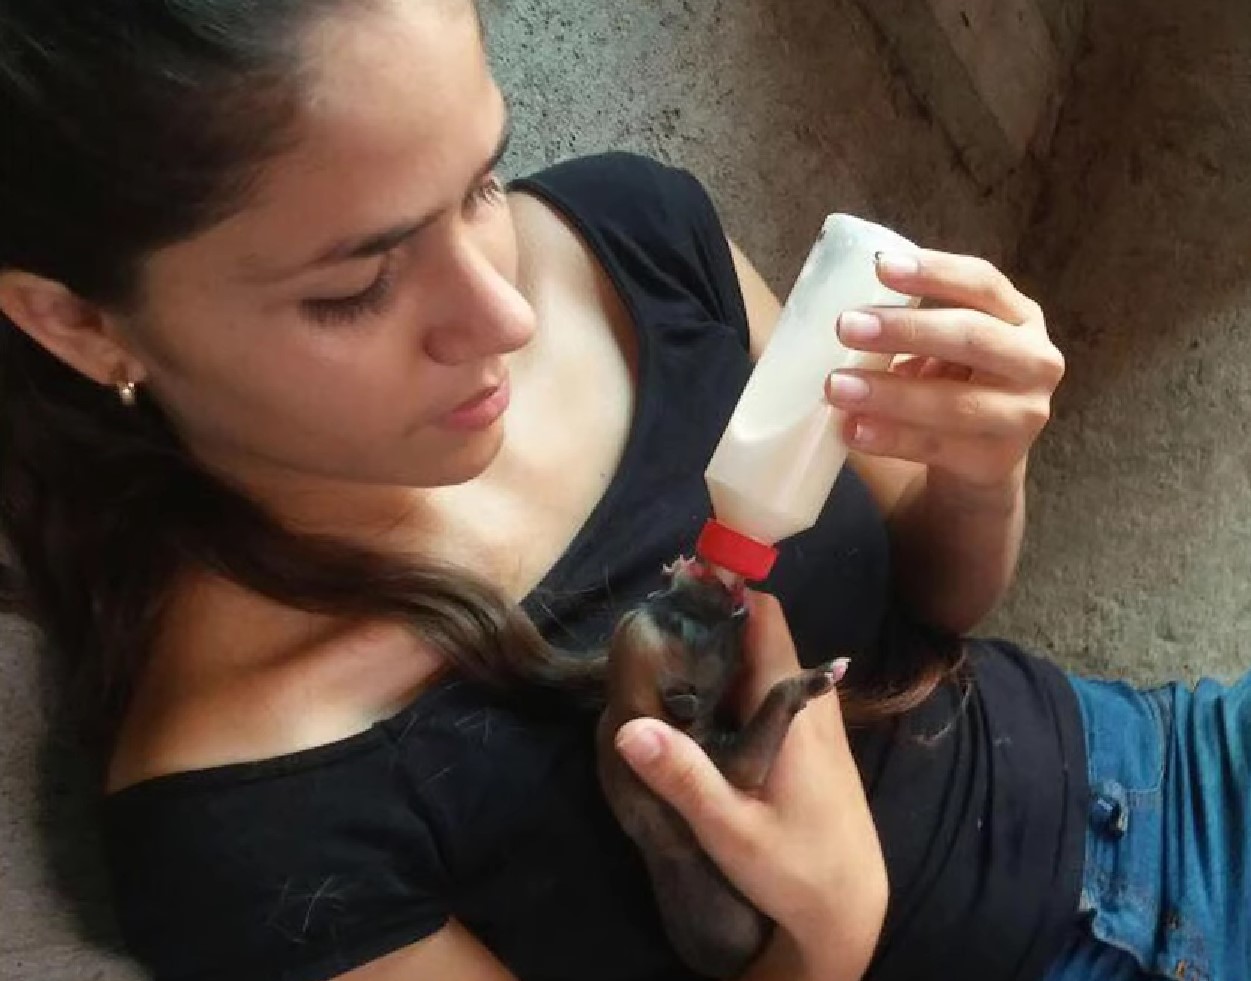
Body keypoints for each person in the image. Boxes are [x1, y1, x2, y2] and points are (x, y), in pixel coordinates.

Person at [0, 2, 1245, 980]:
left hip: (1166, 753)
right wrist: (824, 941)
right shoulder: (254, 824)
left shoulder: (627, 235)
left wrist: (981, 469)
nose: (504, 311)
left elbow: (942, 601)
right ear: (76, 321)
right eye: (355, 287)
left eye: (484, 180)